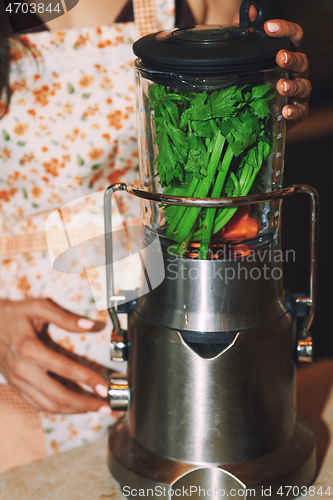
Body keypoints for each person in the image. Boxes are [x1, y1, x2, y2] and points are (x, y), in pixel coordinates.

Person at [0, 0, 311, 472]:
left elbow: (238, 126)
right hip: (19, 354)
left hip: (162, 297)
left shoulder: (202, 4)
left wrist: (272, 90)